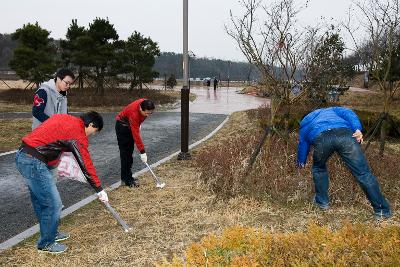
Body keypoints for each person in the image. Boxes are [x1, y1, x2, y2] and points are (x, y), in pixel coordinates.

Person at [15, 112, 109, 254]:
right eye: (94, 131)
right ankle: (46, 243)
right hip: (33, 161)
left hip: (28, 157)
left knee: (41, 201)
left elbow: (51, 140)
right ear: (90, 125)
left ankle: (50, 233)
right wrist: (99, 189)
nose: (92, 134)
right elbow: (86, 163)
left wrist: (52, 166)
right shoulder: (77, 133)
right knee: (53, 204)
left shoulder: (66, 118)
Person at [297, 106, 391, 219]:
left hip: (322, 139)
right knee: (363, 173)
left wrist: (300, 163)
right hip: (345, 136)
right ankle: (382, 211)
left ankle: (322, 202)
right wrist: (357, 128)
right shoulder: (331, 110)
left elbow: (303, 145)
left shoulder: (305, 123)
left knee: (318, 168)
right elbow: (348, 113)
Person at [115, 99, 155, 187]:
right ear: (141, 109)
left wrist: (138, 124)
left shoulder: (145, 103)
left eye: (151, 113)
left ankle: (127, 177)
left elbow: (137, 124)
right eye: (147, 113)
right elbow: (136, 135)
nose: (148, 115)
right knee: (126, 155)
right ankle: (127, 180)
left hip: (130, 124)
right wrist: (142, 152)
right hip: (123, 127)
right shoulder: (134, 114)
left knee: (129, 153)